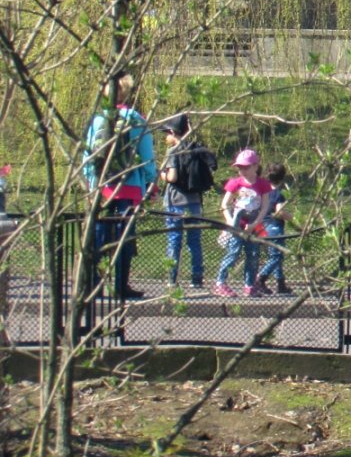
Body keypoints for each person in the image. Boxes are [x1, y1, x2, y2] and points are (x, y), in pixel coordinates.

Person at [83, 72, 158, 300]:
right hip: (130, 186)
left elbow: (88, 156)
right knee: (124, 237)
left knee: (99, 236)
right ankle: (121, 285)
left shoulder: (98, 119)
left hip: (102, 187)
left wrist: (90, 183)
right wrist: (150, 179)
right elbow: (146, 156)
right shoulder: (135, 119)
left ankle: (93, 285)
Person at [158, 113, 217, 290]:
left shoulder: (174, 151)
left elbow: (173, 177)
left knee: (174, 240)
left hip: (175, 202)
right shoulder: (196, 148)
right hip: (195, 203)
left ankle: (172, 279)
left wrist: (161, 174)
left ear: (172, 132)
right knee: (194, 241)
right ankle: (197, 278)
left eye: (166, 134)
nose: (165, 138)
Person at [214, 149, 272, 298]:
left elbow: (265, 206)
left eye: (246, 167)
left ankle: (249, 285)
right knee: (233, 252)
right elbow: (224, 204)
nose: (243, 171)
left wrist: (255, 224)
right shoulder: (235, 183)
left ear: (255, 166)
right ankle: (220, 283)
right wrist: (230, 221)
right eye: (240, 167)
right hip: (237, 224)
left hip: (253, 225)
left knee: (253, 255)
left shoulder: (262, 184)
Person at [255, 163, 292, 295]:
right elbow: (279, 212)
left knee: (274, 255)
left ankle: (280, 283)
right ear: (282, 178)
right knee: (276, 256)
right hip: (274, 228)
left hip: (261, 228)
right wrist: (292, 218)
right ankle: (260, 278)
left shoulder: (262, 193)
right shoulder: (278, 195)